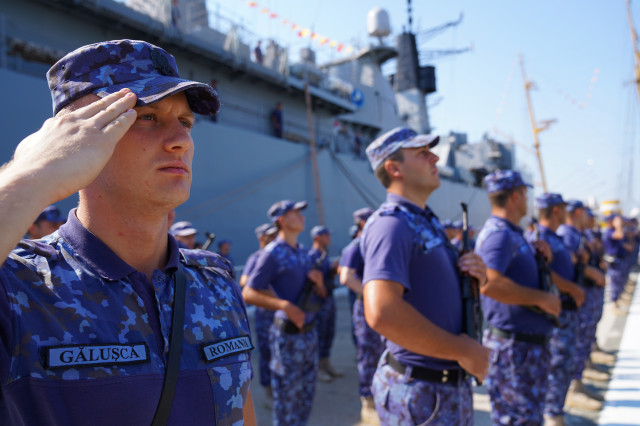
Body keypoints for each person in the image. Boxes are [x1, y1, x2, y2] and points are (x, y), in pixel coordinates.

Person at [0, 39, 256, 425]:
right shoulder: (20, 286)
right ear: (75, 133)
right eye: (148, 117)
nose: (182, 141)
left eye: (186, 122)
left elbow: (241, 406)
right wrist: (30, 175)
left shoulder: (215, 281)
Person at [360, 127, 490, 425]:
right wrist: (464, 350)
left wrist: (476, 275)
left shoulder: (424, 221)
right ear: (394, 168)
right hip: (420, 391)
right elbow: (381, 312)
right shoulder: (391, 225)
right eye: (422, 153)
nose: (435, 158)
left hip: (444, 386)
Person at [474, 170, 561, 425]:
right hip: (514, 349)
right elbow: (489, 283)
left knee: (528, 417)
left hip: (526, 348)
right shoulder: (499, 235)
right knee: (518, 420)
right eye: (525, 194)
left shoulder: (512, 233)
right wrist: (542, 299)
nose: (527, 200)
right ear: (515, 196)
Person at [242, 200, 325, 425]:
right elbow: (248, 292)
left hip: (309, 332)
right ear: (282, 220)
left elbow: (317, 293)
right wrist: (284, 305)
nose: (302, 217)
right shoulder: (272, 253)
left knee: (306, 395)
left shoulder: (303, 252)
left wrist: (319, 283)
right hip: (288, 335)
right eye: (296, 213)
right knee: (287, 398)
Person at [527, 193, 585, 426]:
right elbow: (545, 273)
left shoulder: (553, 237)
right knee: (558, 363)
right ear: (556, 210)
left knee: (564, 362)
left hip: (566, 310)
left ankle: (556, 411)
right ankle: (552, 415)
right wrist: (572, 288)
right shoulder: (540, 237)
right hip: (556, 312)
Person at [557, 200, 607, 411]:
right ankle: (573, 387)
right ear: (578, 213)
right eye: (587, 213)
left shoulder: (578, 234)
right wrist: (588, 269)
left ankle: (579, 378)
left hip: (583, 294)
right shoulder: (567, 234)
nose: (589, 217)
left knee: (582, 336)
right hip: (573, 296)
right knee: (573, 344)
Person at [339, 207, 384, 424]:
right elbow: (346, 277)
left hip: (379, 306)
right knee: (368, 354)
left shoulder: (373, 243)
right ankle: (368, 401)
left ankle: (379, 395)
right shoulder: (356, 246)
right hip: (366, 306)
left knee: (381, 351)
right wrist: (372, 294)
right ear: (363, 223)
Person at [239, 223, 278, 404]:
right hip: (265, 313)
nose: (274, 238)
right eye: (270, 235)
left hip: (279, 313)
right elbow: (244, 280)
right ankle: (269, 390)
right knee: (266, 352)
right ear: (261, 238)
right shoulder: (257, 257)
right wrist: (268, 291)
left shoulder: (278, 255)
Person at [308, 225, 342, 383]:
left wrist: (333, 270)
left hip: (328, 298)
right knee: (319, 334)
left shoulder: (324, 255)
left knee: (329, 332)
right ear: (318, 237)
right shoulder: (311, 256)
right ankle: (318, 368)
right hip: (317, 302)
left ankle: (326, 364)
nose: (329, 238)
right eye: (326, 235)